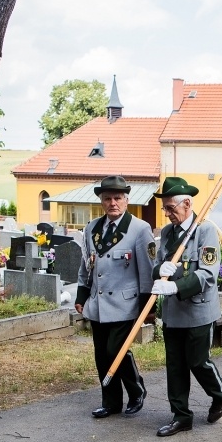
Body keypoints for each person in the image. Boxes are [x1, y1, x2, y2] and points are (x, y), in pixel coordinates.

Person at [151, 177, 222, 437]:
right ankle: (181, 415)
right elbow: (160, 264)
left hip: (198, 309)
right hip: (173, 312)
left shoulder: (204, 231)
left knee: (198, 361)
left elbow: (208, 274)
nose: (167, 213)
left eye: (171, 208)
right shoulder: (167, 233)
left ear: (187, 204)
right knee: (175, 365)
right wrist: (158, 270)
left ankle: (220, 393)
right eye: (165, 208)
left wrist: (176, 287)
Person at [76, 175, 154, 419]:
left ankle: (136, 389)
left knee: (115, 350)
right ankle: (110, 402)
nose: (113, 203)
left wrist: (146, 306)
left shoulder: (139, 229)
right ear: (101, 201)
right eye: (107, 198)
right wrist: (81, 295)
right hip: (98, 304)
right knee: (101, 354)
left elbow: (147, 270)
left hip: (126, 303)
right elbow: (86, 266)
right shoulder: (92, 229)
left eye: (117, 198)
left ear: (126, 200)